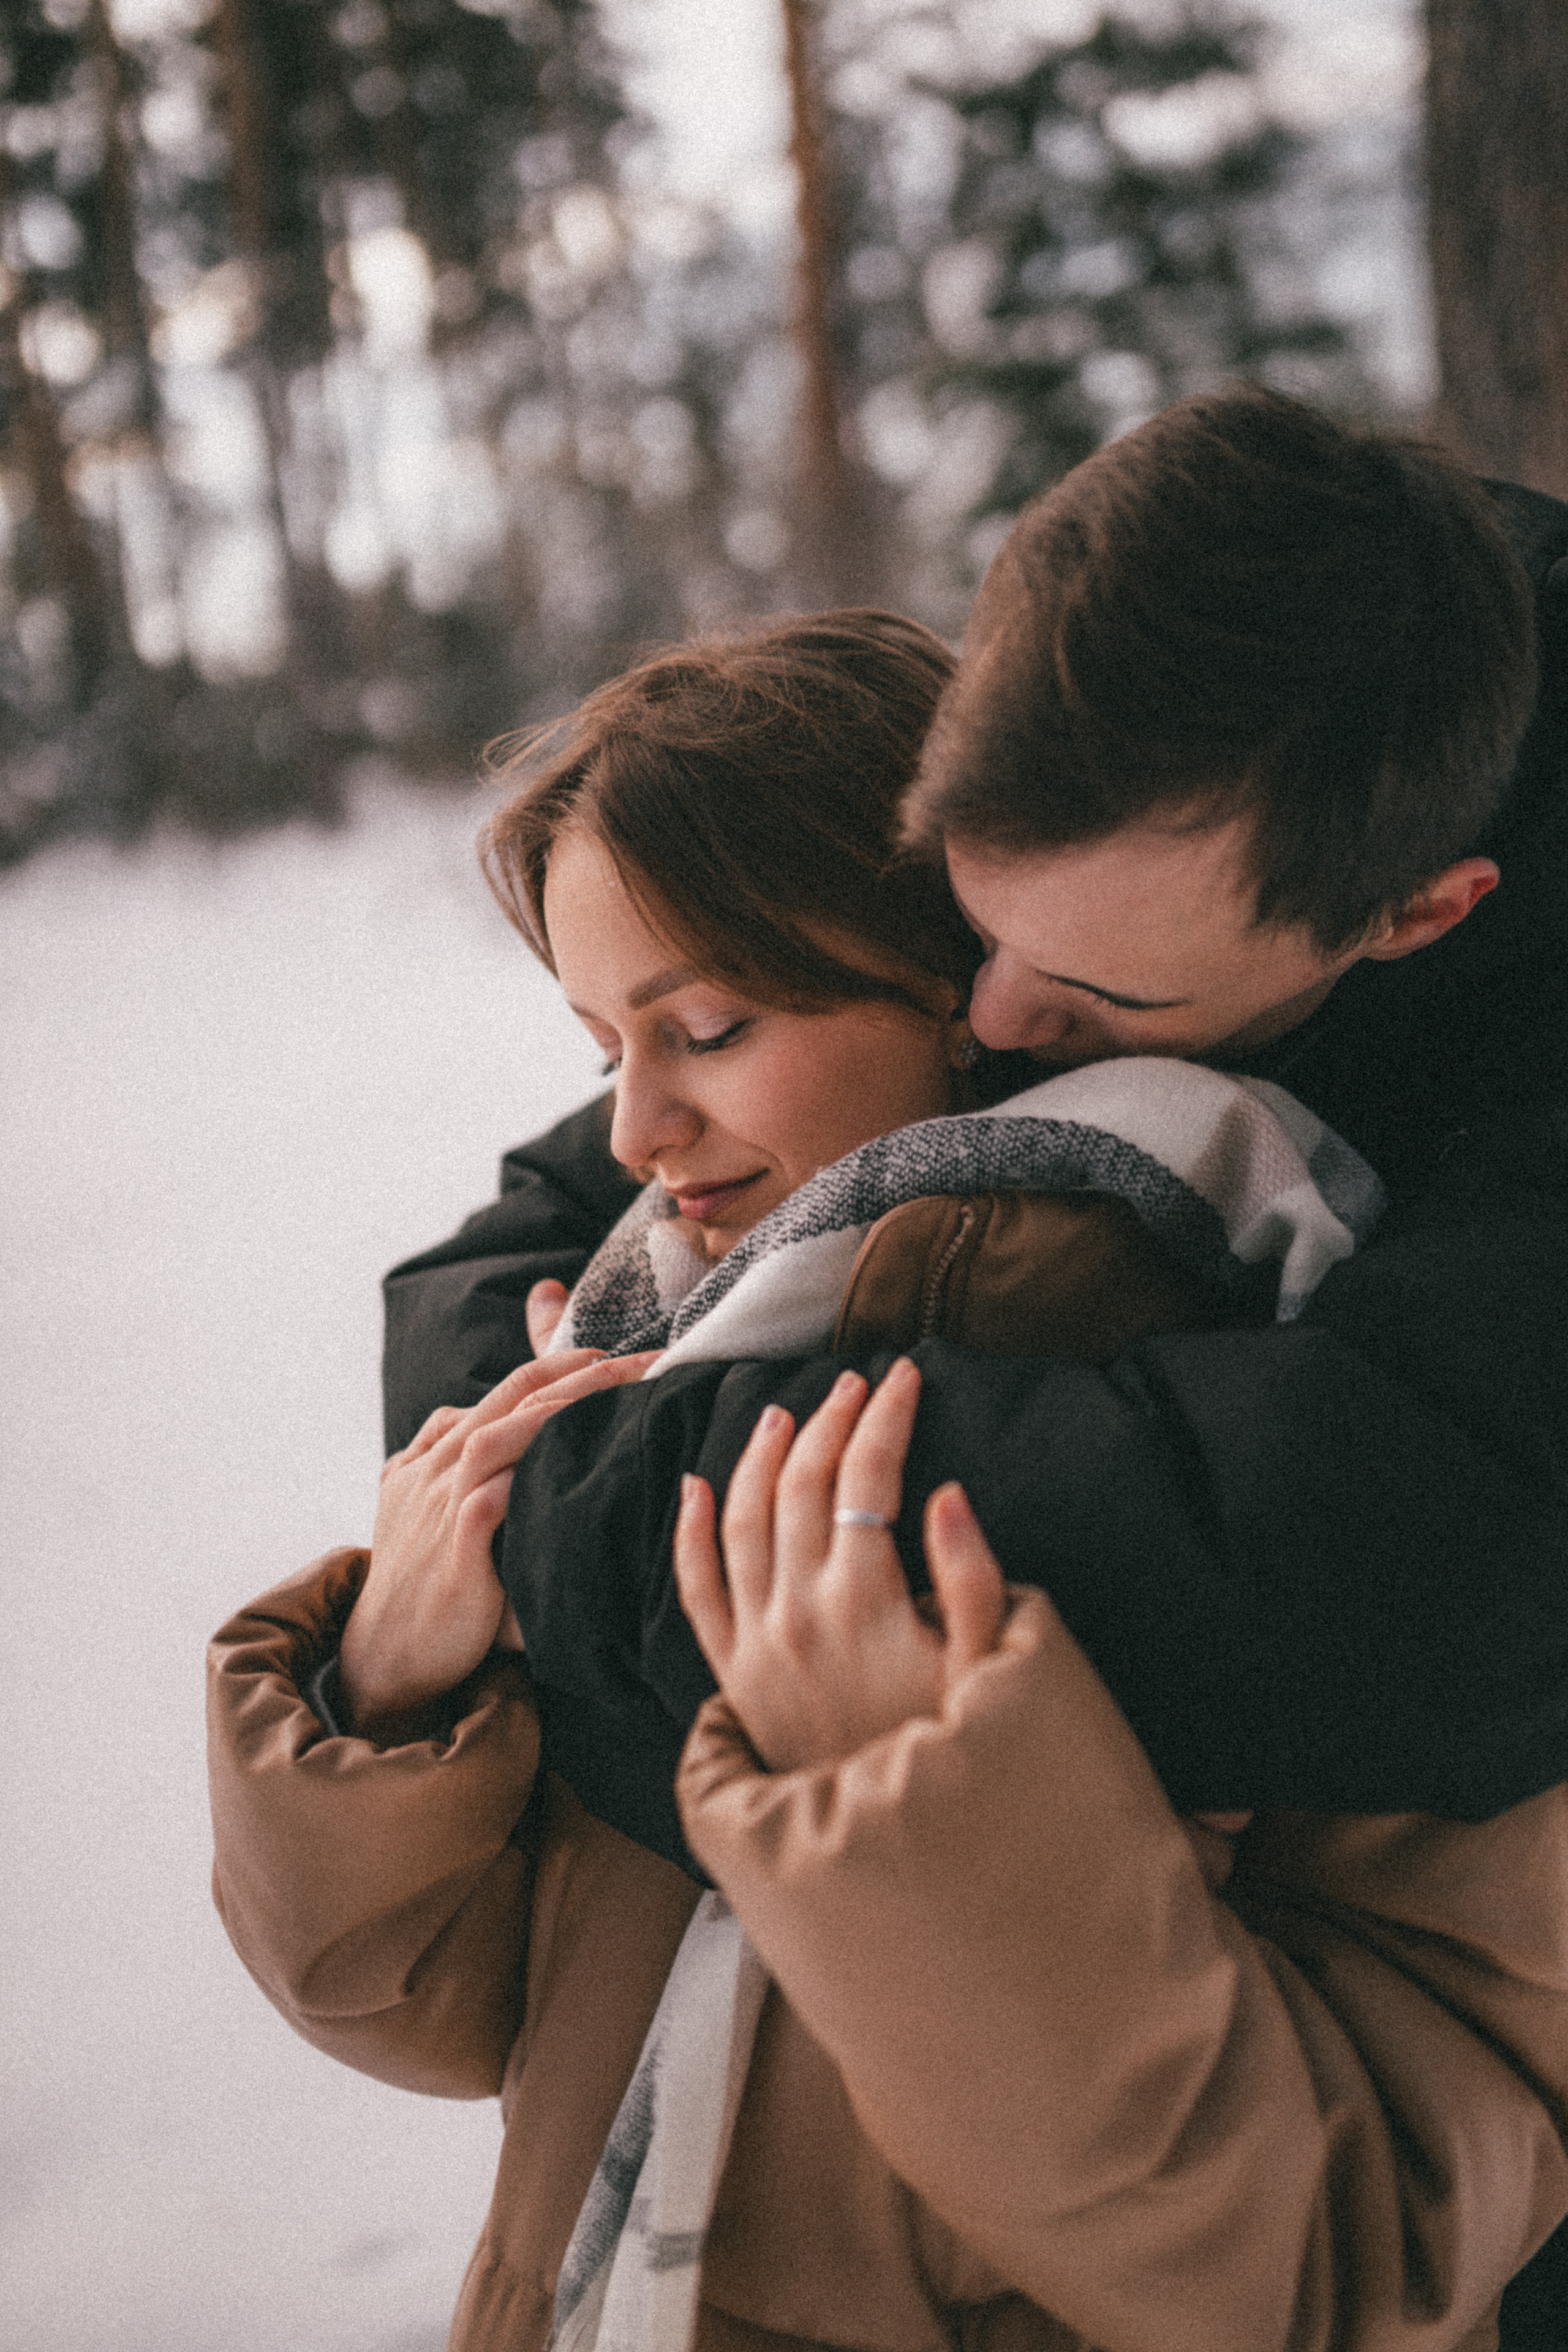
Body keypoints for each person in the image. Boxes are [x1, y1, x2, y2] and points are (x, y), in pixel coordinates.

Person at [208, 597, 1568, 2350]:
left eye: (703, 1029)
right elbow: (448, 2016)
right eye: (598, 1045)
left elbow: (1333, 2259)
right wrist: (387, 1691)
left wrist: (909, 1830)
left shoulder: (1296, 1410)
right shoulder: (655, 1365)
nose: (629, 1133)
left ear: (976, 978)